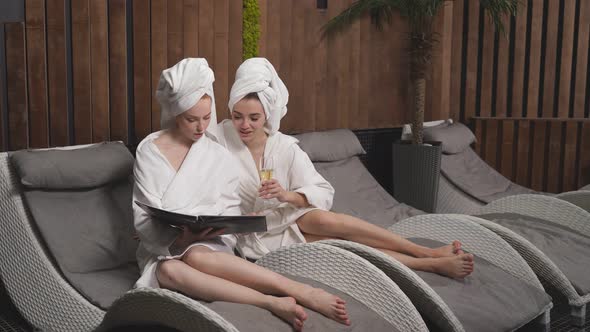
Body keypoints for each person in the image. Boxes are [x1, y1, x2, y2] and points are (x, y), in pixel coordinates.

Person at [132, 58, 350, 330]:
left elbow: (230, 206)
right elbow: (143, 214)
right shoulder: (149, 150)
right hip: (164, 247)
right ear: (176, 114)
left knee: (197, 255)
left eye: (206, 118)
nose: (201, 128)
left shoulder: (216, 153)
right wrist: (178, 239)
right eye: (191, 119)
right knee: (168, 270)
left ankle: (298, 289)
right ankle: (270, 302)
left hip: (209, 244)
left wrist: (218, 227)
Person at [218, 57, 474, 279]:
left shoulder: (284, 147)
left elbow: (322, 191)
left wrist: (288, 195)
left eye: (254, 118)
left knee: (325, 218)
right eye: (238, 116)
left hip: (287, 214)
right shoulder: (219, 142)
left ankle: (425, 250)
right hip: (258, 233)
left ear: (267, 115)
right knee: (346, 247)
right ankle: (429, 264)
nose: (245, 125)